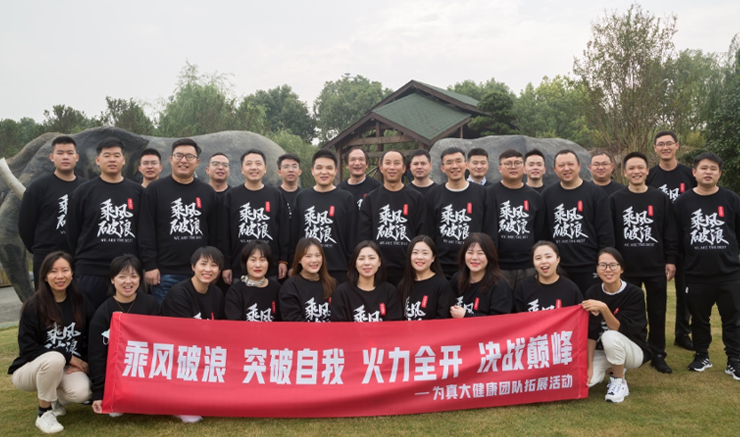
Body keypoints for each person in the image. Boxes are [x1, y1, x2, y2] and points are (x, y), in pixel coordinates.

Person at [8, 252, 94, 434]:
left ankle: (53, 400)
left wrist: (84, 361)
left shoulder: (81, 301)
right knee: (55, 358)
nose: (60, 276)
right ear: (45, 276)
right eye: (53, 271)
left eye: (65, 270)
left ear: (72, 273)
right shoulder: (33, 306)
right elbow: (28, 350)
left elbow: (91, 336)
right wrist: (68, 356)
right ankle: (44, 413)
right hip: (29, 369)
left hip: (63, 368)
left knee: (83, 392)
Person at [609, 151, 678, 374]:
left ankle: (658, 353)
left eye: (640, 168)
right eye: (631, 168)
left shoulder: (660, 198)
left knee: (657, 311)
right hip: (626, 268)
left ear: (647, 171)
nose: (636, 172)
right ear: (625, 172)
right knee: (629, 312)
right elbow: (611, 235)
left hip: (655, 265)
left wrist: (670, 259)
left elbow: (669, 231)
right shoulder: (615, 199)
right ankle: (633, 350)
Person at [673, 152, 740, 379]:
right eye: (703, 168)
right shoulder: (682, 202)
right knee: (699, 319)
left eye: (713, 168)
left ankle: (734, 359)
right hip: (696, 273)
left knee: (732, 319)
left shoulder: (731, 199)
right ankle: (702, 355)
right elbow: (676, 237)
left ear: (719, 173)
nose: (708, 172)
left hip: (729, 272)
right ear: (694, 172)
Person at [139, 138, 219, 304]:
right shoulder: (155, 190)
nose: (183, 160)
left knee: (198, 317)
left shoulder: (207, 192)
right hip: (164, 273)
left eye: (189, 156)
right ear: (171, 159)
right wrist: (150, 265)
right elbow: (146, 231)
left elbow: (215, 234)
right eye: (179, 156)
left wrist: (212, 267)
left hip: (200, 272)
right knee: (168, 319)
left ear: (197, 162)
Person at [66, 137, 143, 309]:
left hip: (128, 273)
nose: (112, 159)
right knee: (89, 320)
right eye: (107, 155)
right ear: (97, 160)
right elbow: (72, 233)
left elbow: (143, 232)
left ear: (124, 160)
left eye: (116, 155)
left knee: (128, 322)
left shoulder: (138, 192)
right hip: (91, 271)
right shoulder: (82, 192)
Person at [88, 255, 160, 417]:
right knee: (116, 411)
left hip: (146, 369)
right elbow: (97, 355)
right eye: (122, 277)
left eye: (134, 276)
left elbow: (160, 343)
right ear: (112, 280)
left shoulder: (150, 304)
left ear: (140, 278)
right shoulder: (103, 312)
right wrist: (99, 393)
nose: (128, 281)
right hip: (116, 373)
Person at [646, 130, 696, 351]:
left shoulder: (688, 174)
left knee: (685, 291)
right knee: (655, 293)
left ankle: (682, 333)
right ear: (655, 148)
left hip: (686, 240)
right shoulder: (650, 175)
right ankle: (646, 335)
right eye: (660, 144)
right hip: (657, 239)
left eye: (669, 143)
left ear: (677, 145)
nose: (665, 147)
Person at [583, 248, 650, 403]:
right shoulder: (592, 292)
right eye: (603, 265)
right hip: (603, 351)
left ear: (622, 268)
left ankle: (619, 380)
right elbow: (591, 333)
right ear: (597, 269)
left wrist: (604, 308)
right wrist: (589, 366)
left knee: (610, 336)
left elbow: (618, 328)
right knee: (586, 381)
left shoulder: (634, 293)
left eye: (613, 265)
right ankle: (612, 366)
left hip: (632, 350)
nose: (608, 270)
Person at [19, 135, 86, 289]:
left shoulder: (87, 188)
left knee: (78, 300)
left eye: (69, 153)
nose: (65, 157)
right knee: (45, 301)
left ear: (76, 157)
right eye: (60, 153)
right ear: (51, 157)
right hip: (46, 258)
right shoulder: (38, 187)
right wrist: (39, 249)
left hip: (78, 258)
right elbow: (25, 225)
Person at [542, 149, 614, 293]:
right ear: (555, 169)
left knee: (590, 304)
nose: (566, 168)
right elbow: (543, 232)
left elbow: (605, 232)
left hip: (589, 265)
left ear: (579, 166)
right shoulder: (547, 195)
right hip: (559, 267)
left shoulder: (595, 192)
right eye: (561, 165)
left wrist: (603, 263)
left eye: (570, 164)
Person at [220, 149, 290, 286]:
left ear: (265, 168)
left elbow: (284, 230)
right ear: (242, 169)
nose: (253, 167)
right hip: (238, 268)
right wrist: (226, 265)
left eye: (258, 163)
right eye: (248, 164)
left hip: (270, 267)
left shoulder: (275, 195)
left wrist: (283, 260)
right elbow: (223, 234)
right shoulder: (231, 196)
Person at [359, 150, 426, 286]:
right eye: (388, 163)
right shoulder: (371, 199)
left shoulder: (416, 198)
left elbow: (423, 235)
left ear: (404, 168)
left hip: (408, 270)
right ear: (381, 167)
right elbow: (364, 237)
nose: (392, 167)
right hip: (377, 271)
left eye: (396, 163)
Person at [427, 147, 493, 279]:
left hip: (473, 264)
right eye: (449, 162)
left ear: (466, 165)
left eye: (458, 161)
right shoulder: (434, 194)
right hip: (442, 266)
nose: (454, 166)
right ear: (442, 168)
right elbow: (428, 232)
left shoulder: (482, 193)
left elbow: (489, 230)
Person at [292, 149, 357, 284]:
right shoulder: (302, 197)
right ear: (312, 170)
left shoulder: (346, 198)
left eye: (329, 168)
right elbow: (295, 233)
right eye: (319, 168)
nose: (324, 172)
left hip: (338, 268)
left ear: (336, 170)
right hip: (307, 269)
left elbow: (352, 236)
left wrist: (351, 266)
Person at [486, 148, 546, 289]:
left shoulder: (534, 196)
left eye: (517, 163)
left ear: (524, 168)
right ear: (500, 168)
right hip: (499, 265)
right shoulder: (489, 193)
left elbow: (539, 231)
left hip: (528, 265)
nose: (513, 167)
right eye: (508, 163)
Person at [331, 240, 403, 322]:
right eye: (361, 259)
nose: (367, 263)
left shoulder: (390, 292)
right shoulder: (342, 292)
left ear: (379, 262)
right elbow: (338, 326)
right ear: (355, 263)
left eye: (372, 258)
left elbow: (394, 326)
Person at [450, 233, 512, 318]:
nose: (474, 257)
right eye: (470, 252)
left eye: (480, 253)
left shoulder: (500, 287)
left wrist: (465, 316)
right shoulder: (456, 279)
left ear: (489, 256)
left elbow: (498, 322)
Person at [513, 241, 583, 312]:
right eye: (538, 258)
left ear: (558, 259)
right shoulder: (523, 287)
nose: (543, 261)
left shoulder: (571, 288)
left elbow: (579, 314)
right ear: (533, 262)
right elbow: (517, 317)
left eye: (548, 257)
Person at [396, 235, 454, 320]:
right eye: (415, 253)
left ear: (433, 258)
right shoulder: (403, 285)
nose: (419, 257)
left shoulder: (442, 285)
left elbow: (443, 320)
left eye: (425, 253)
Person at [279, 238, 336, 322]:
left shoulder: (332, 284)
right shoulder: (290, 286)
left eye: (318, 255)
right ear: (299, 259)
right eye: (308, 256)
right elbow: (292, 319)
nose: (314, 260)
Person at [161, 246, 225, 321]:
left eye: (213, 265)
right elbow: (182, 326)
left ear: (219, 270)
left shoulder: (217, 293)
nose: (208, 269)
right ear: (193, 267)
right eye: (203, 264)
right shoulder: (179, 293)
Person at [224, 241, 281, 322]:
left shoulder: (277, 289)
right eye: (253, 260)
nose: (258, 265)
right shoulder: (235, 291)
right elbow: (234, 323)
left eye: (262, 260)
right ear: (245, 262)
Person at [277, 153, 303, 218]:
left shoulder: (305, 196)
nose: (291, 170)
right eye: (286, 167)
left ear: (299, 171)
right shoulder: (274, 195)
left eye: (294, 166)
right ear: (279, 172)